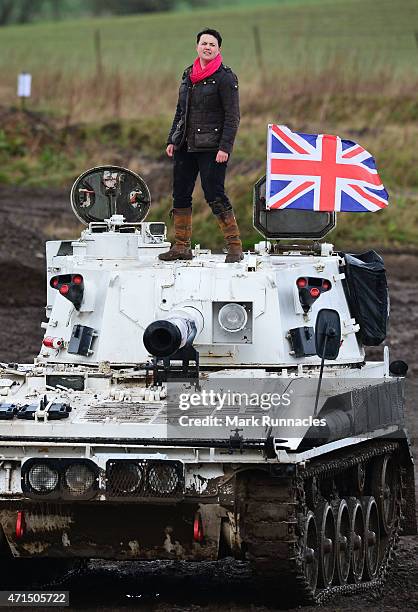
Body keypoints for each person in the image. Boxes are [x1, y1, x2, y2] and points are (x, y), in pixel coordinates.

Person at [159, 28, 243, 263]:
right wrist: (171, 139)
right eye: (203, 43)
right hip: (185, 145)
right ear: (197, 46)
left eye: (212, 45)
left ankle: (235, 247)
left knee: (214, 193)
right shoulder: (188, 74)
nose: (207, 47)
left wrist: (225, 148)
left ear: (218, 49)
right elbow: (180, 111)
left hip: (213, 148)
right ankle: (181, 247)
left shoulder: (226, 77)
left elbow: (233, 116)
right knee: (181, 195)